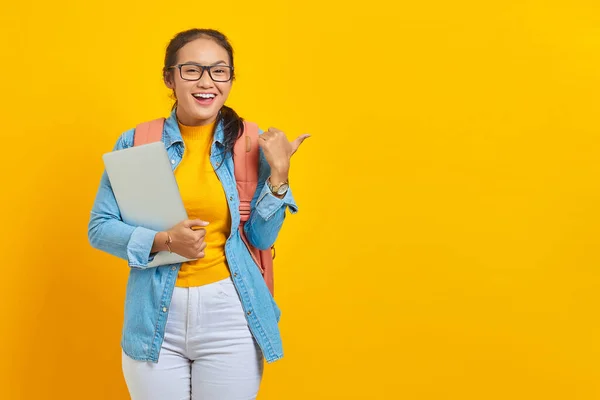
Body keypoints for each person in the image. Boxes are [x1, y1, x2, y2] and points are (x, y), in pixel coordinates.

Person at [88, 28, 308, 400]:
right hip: (155, 314)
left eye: (219, 71)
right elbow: (100, 228)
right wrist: (164, 240)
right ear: (169, 78)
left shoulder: (251, 143)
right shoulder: (137, 142)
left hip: (231, 312)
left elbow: (261, 238)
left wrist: (280, 176)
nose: (207, 82)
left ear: (230, 79)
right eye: (192, 70)